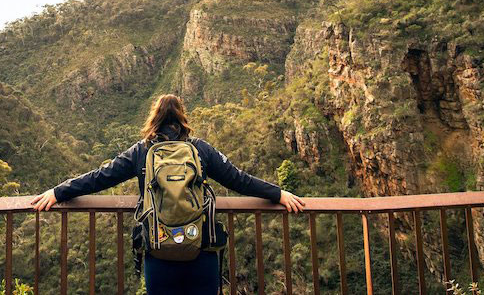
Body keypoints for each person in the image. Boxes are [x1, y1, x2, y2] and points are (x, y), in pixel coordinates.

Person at [30, 94, 306, 294]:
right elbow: (239, 179)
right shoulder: (200, 149)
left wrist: (58, 192)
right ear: (183, 117)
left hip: (158, 248)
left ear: (154, 118)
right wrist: (278, 194)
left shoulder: (141, 151)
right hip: (201, 247)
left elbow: (100, 177)